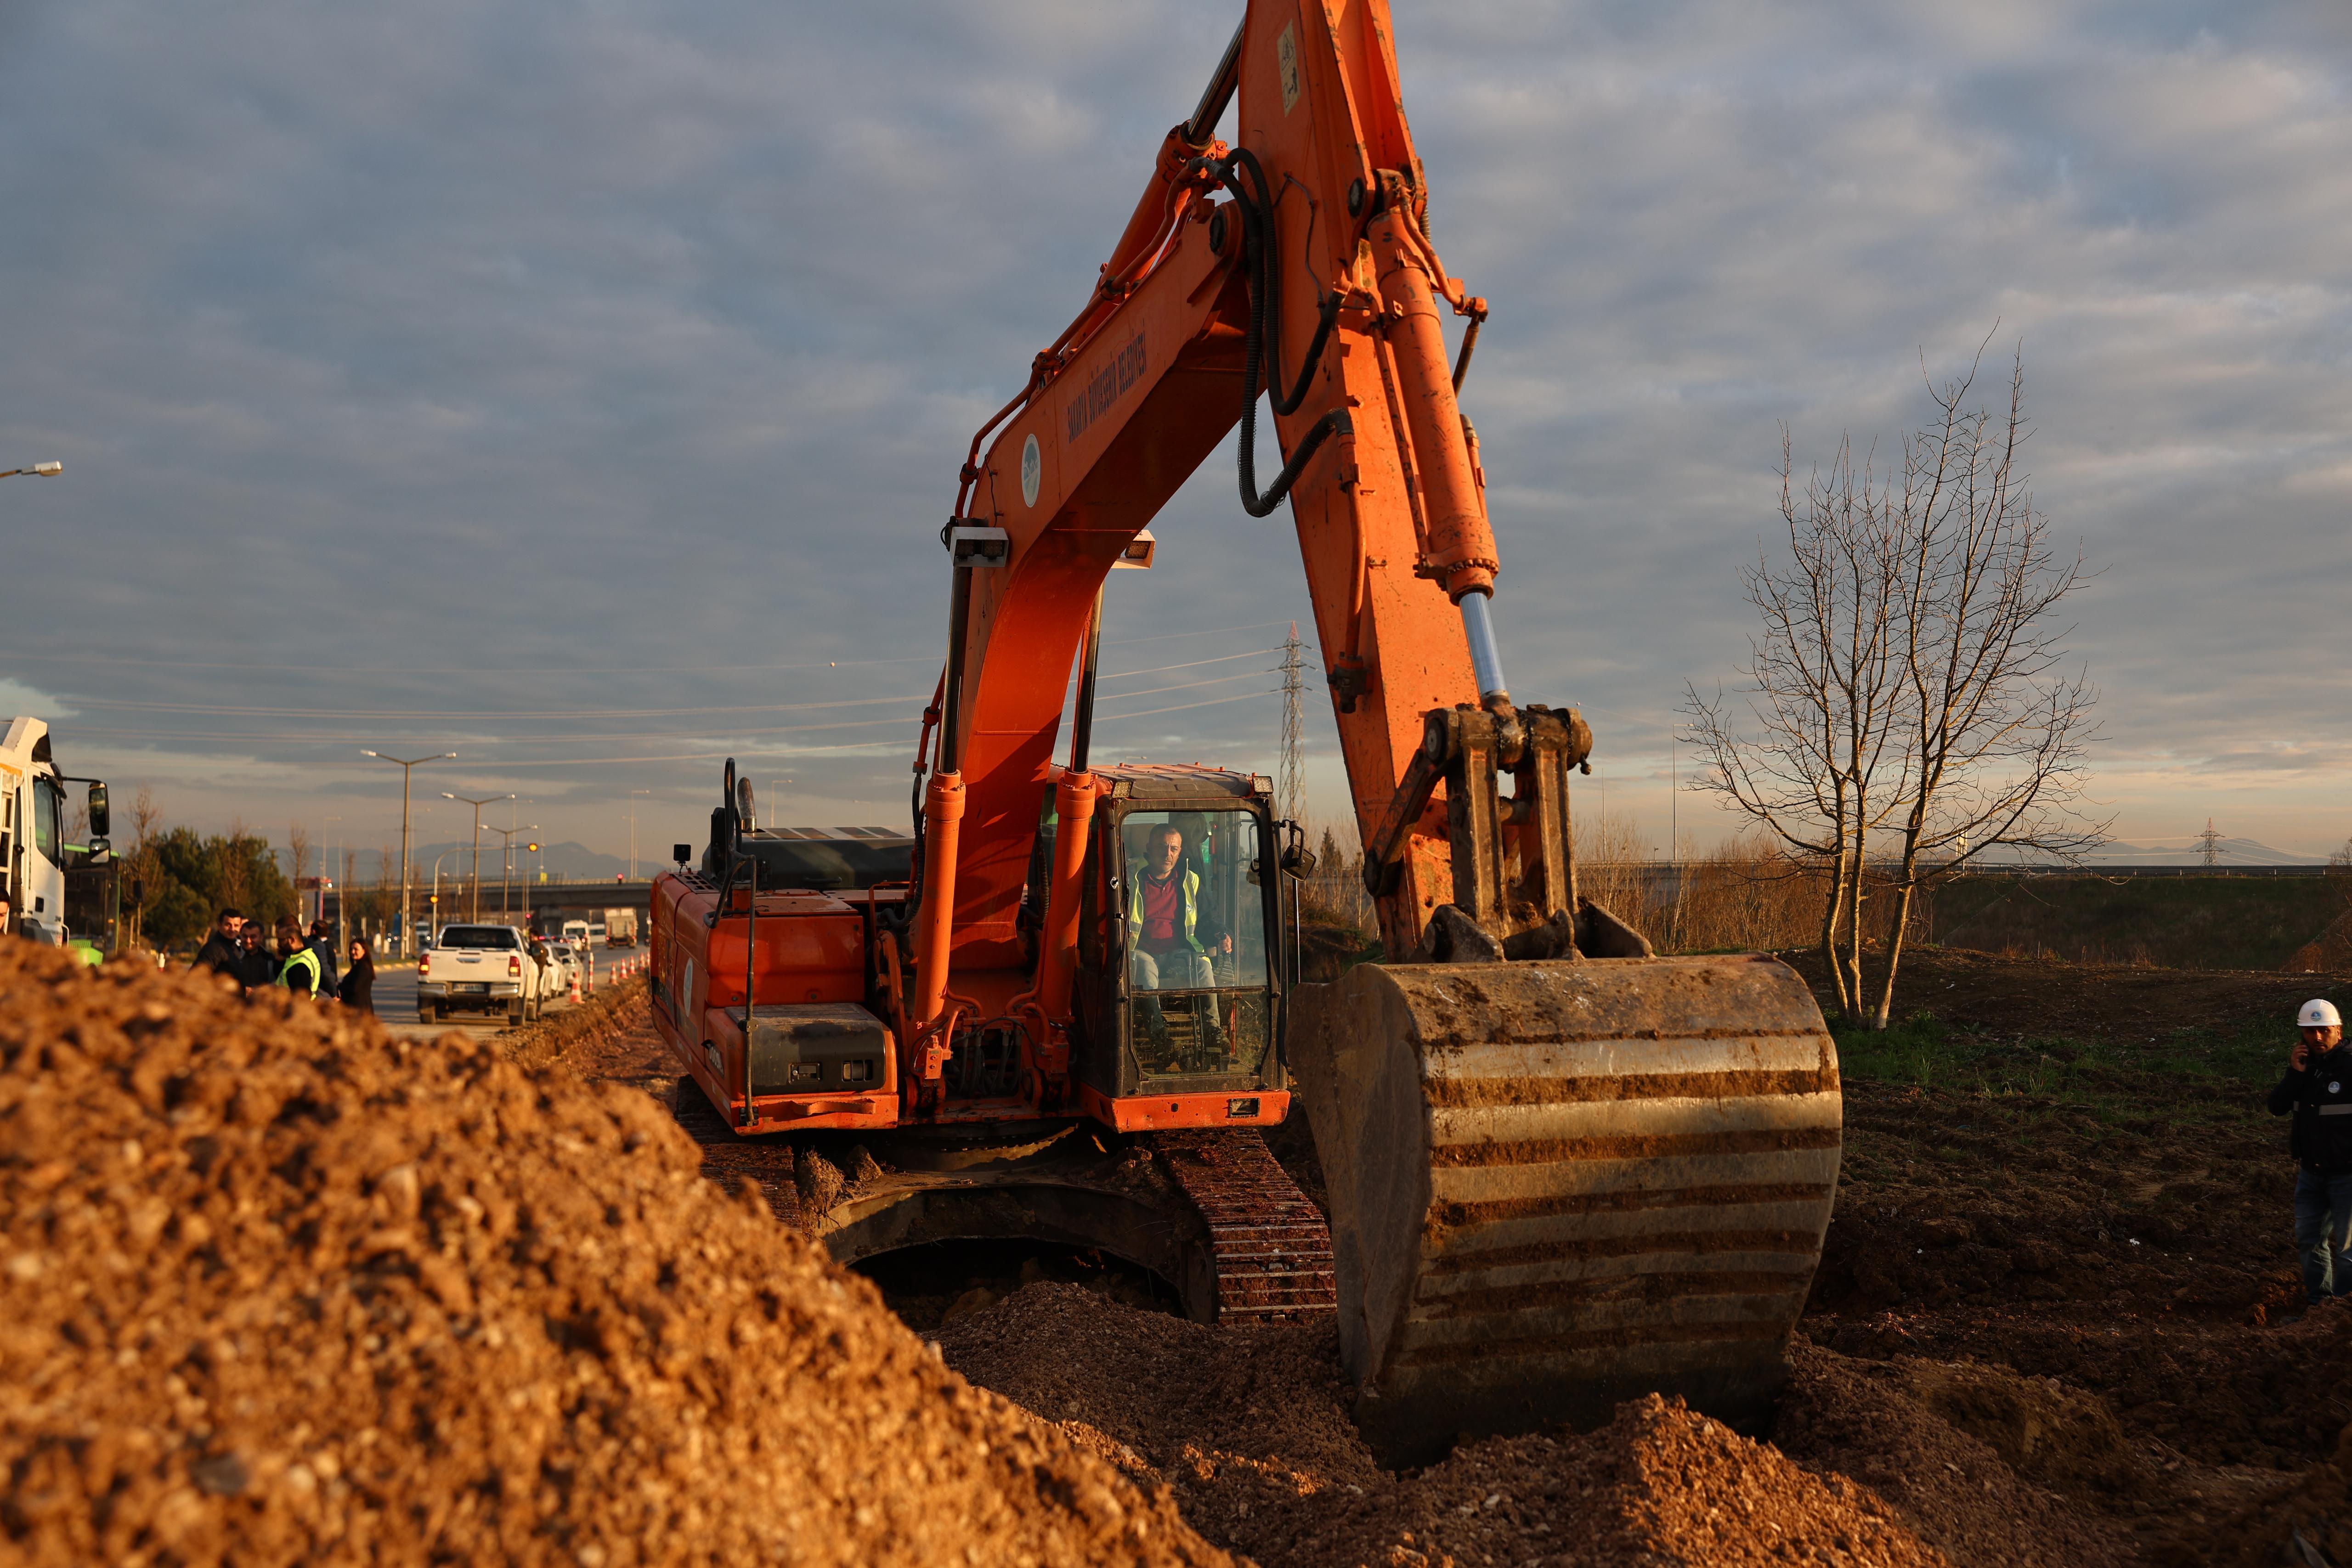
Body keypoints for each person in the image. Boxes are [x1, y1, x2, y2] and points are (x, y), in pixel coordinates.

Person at [2268, 998, 2352, 1310]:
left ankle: (2342, 1316)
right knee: (2310, 1241)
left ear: (2338, 1030)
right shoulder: (2304, 1070)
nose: (2317, 1038)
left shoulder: (2350, 1067)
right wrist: (2295, 1074)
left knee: (2347, 1251)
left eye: (2324, 1031)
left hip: (2347, 1174)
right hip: (2311, 1174)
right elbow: (2276, 1107)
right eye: (2309, 1032)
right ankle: (2318, 1309)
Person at [274, 919, 325, 998]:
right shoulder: (309, 955)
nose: (278, 944)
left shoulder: (299, 966)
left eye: (281, 940)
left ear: (292, 940)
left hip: (292, 1009)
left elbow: (301, 999)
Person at [190, 908, 247, 980]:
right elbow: (195, 976)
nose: (232, 929)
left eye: (236, 926)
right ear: (219, 925)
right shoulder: (213, 949)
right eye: (228, 925)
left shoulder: (237, 947)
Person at [338, 936, 375, 1013]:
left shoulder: (363, 968)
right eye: (351, 949)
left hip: (360, 1011)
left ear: (364, 951)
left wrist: (340, 987)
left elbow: (355, 988)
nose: (353, 952)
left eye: (356, 949)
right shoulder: (358, 966)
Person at [307, 919, 340, 993]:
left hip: (323, 988)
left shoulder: (320, 947)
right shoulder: (329, 946)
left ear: (314, 931)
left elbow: (326, 971)